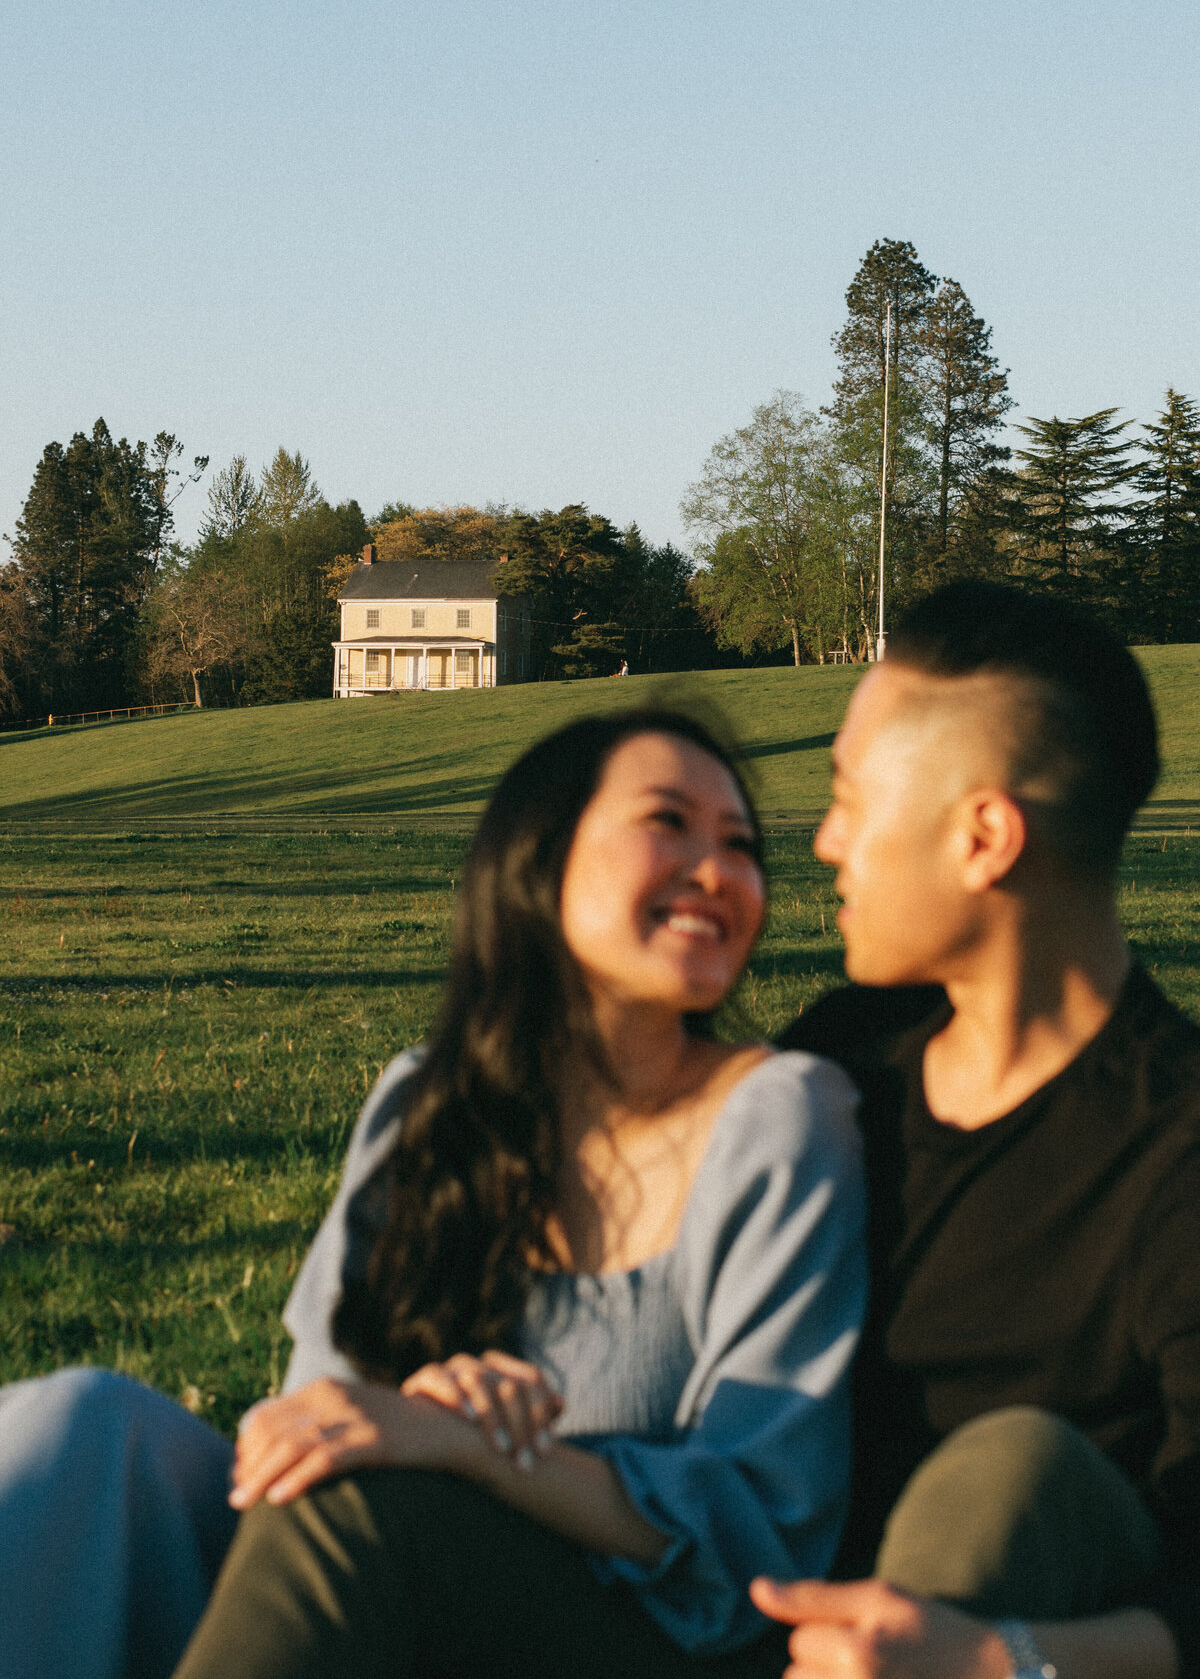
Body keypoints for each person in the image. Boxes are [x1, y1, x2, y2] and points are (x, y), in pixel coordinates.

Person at [0, 709, 864, 1679]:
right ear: (541, 858)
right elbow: (316, 1418)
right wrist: (411, 1423)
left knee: (360, 1506)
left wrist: (472, 1446)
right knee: (83, 1429)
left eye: (741, 844)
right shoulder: (428, 1102)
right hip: (377, 1589)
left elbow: (760, 1526)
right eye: (669, 823)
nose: (716, 868)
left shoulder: (778, 1114)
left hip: (639, 1634)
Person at [752, 582, 1200, 1679]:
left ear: (985, 837)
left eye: (851, 798)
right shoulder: (835, 1065)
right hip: (740, 1610)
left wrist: (996, 1661)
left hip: (981, 1631)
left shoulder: (1177, 1151)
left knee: (1002, 1478)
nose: (824, 843)